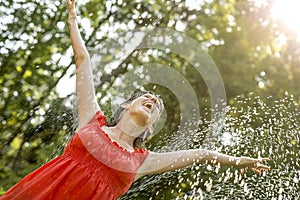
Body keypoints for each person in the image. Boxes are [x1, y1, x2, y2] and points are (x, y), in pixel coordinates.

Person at [0, 0, 270, 199]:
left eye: (158, 105)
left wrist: (237, 160)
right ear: (126, 105)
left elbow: (200, 155)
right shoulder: (92, 121)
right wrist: (72, 20)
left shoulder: (144, 161)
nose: (153, 98)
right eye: (147, 96)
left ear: (151, 126)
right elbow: (83, 60)